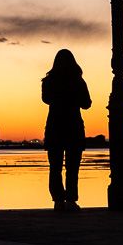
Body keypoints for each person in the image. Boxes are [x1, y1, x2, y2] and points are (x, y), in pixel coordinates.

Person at [41, 48, 92, 211]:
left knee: (55, 166)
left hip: (55, 126)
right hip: (73, 127)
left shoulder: (49, 81)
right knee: (72, 167)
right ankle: (70, 200)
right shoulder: (78, 81)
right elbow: (87, 103)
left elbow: (46, 99)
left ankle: (58, 200)